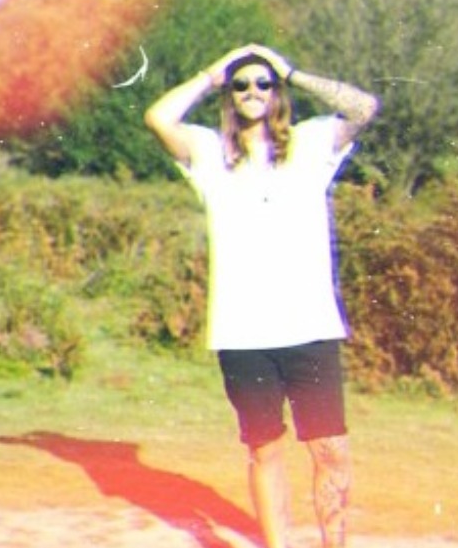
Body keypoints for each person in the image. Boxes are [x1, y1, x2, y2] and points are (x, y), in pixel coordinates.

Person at [144, 44, 379, 548]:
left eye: (263, 83)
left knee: (331, 450)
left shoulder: (312, 143)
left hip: (310, 329)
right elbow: (158, 117)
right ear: (229, 95)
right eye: (242, 84)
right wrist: (212, 72)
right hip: (242, 334)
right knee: (264, 451)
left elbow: (364, 108)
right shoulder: (209, 153)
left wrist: (292, 71)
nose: (253, 90)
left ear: (278, 92)